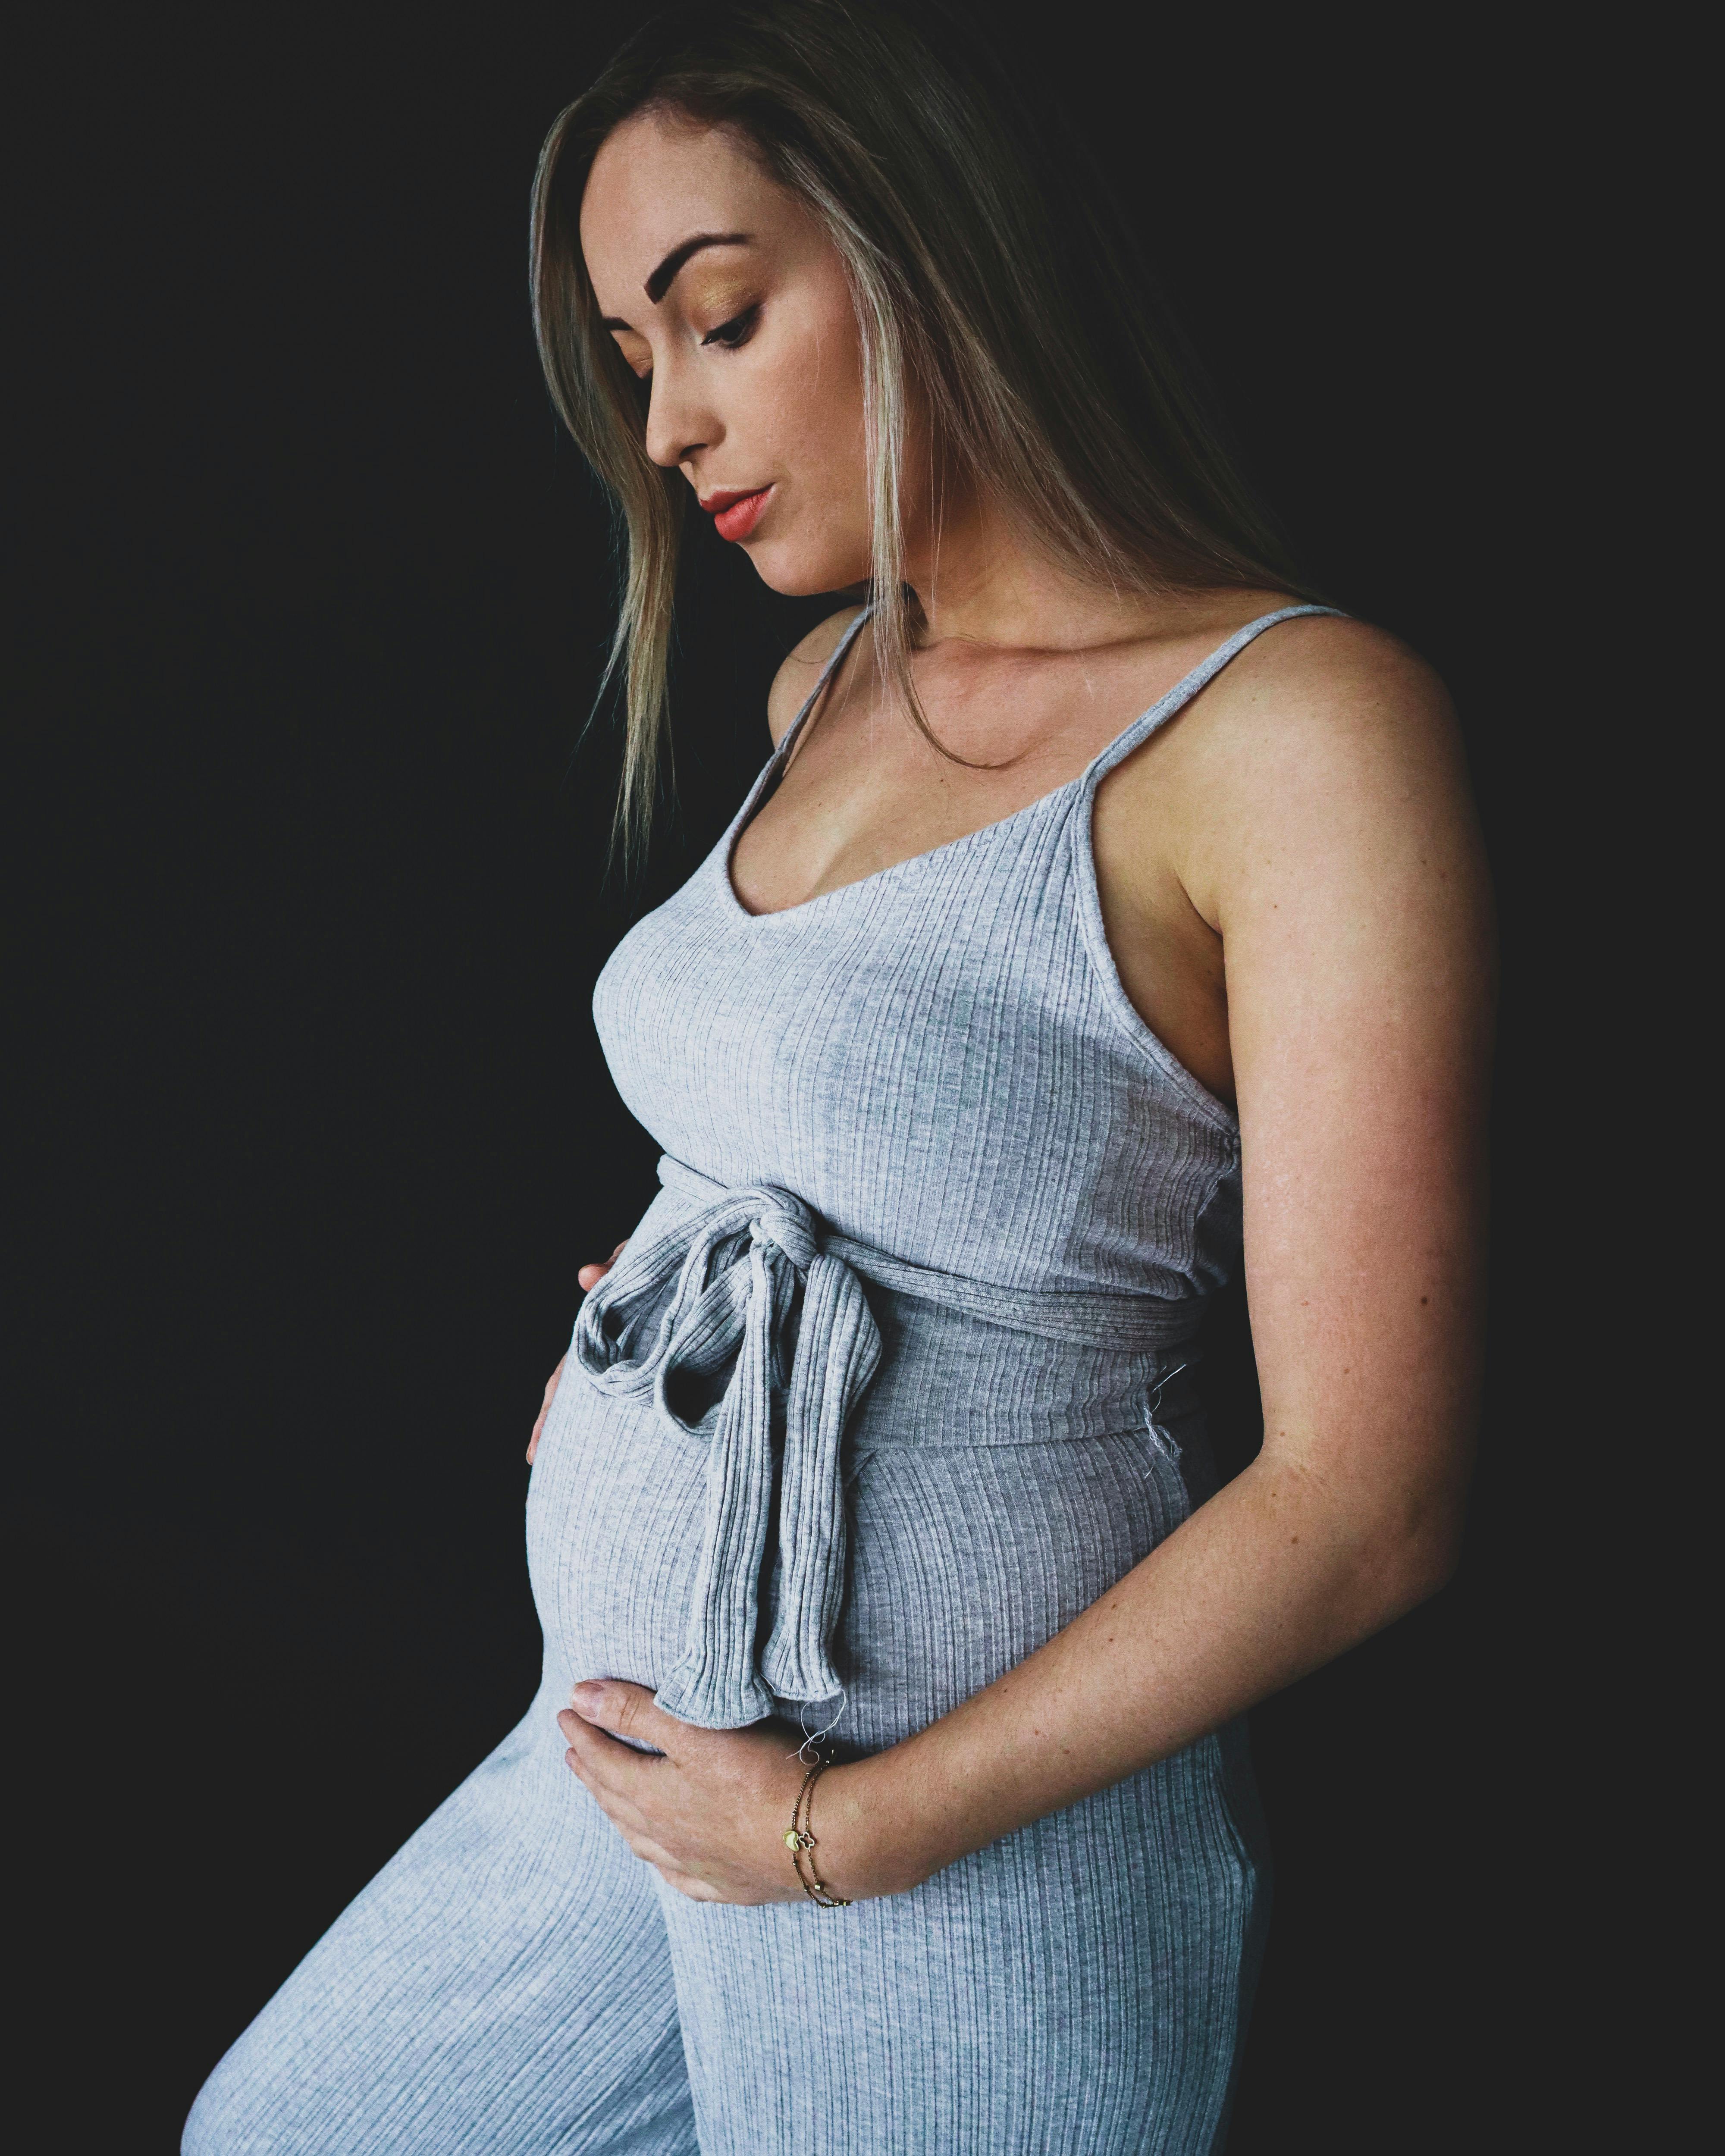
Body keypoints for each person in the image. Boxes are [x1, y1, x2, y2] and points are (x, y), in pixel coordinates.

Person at [185, 3, 1493, 2150]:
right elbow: (851, 1116)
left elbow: (1372, 1499)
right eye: (636, 359)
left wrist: (849, 1829)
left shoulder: (1302, 732)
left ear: (928, 246)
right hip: (626, 1768)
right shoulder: (822, 682)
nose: (670, 422)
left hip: (954, 1850)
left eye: (718, 316)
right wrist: (648, 1330)